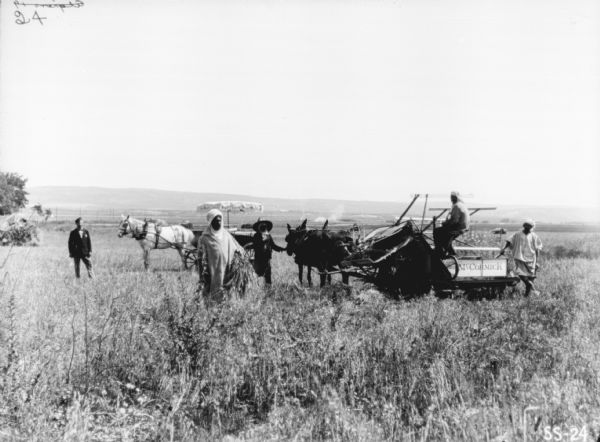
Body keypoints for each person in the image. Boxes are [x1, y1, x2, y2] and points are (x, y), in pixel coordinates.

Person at [199, 209, 243, 304]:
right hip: (213, 272)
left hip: (228, 269)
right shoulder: (205, 238)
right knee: (213, 293)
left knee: (227, 291)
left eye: (220, 220)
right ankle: (212, 308)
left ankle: (226, 307)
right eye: (215, 220)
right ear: (211, 222)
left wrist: (239, 259)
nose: (218, 222)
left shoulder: (226, 235)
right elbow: (200, 259)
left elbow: (236, 248)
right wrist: (203, 274)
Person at [499, 219, 543, 296]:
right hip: (519, 258)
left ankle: (527, 295)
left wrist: (537, 261)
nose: (527, 228)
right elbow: (509, 241)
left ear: (531, 227)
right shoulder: (517, 234)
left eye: (529, 227)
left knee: (530, 277)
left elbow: (537, 249)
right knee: (521, 274)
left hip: (531, 259)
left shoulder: (534, 236)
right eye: (526, 227)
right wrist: (504, 249)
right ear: (524, 226)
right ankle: (533, 289)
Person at [433, 191, 470, 257]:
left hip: (458, 227)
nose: (451, 199)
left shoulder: (456, 206)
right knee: (445, 237)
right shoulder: (461, 205)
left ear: (455, 198)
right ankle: (450, 252)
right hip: (463, 227)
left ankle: (439, 252)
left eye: (452, 197)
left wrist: (445, 223)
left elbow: (454, 220)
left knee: (436, 231)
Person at [251, 218, 286, 285]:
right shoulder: (256, 236)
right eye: (262, 225)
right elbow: (255, 246)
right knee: (257, 275)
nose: (263, 227)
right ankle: (258, 290)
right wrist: (263, 239)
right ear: (259, 227)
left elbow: (273, 246)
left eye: (264, 226)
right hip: (259, 259)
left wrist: (282, 249)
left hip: (267, 259)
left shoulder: (268, 236)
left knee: (268, 277)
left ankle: (267, 290)